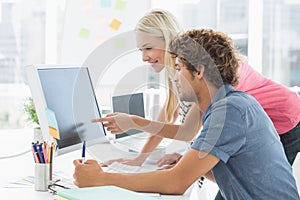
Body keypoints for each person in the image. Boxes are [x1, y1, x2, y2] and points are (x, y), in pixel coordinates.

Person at [73, 29, 299, 199]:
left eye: (179, 68)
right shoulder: (224, 105)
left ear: (199, 72)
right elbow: (239, 171)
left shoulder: (230, 111)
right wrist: (187, 163)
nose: (174, 77)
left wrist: (102, 179)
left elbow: (176, 183)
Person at [101, 9, 202, 167]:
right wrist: (138, 160)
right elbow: (163, 122)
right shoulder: (174, 73)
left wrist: (134, 122)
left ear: (168, 41)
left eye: (148, 48)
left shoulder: (192, 71)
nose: (143, 57)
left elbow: (188, 131)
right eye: (141, 50)